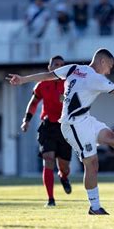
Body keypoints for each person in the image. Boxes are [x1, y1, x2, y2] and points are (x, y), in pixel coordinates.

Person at [7, 48, 114, 215]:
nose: (109, 71)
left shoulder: (74, 68)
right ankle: (94, 207)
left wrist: (23, 79)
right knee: (92, 163)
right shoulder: (96, 78)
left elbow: (48, 75)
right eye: (109, 66)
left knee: (111, 136)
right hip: (73, 124)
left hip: (85, 119)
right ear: (102, 62)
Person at [20, 55, 73, 207]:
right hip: (48, 126)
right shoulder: (42, 84)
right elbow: (34, 102)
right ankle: (50, 199)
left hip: (65, 127)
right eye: (56, 64)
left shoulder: (70, 84)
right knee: (48, 159)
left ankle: (63, 177)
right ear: (49, 68)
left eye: (62, 65)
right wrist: (27, 120)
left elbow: (78, 103)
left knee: (64, 166)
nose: (59, 67)